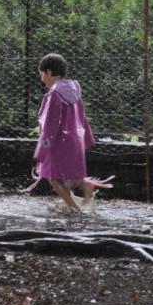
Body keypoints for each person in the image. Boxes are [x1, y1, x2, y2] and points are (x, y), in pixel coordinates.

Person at [32, 53, 109, 212]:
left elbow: (49, 125)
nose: (41, 80)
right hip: (76, 141)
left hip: (58, 143)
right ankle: (85, 187)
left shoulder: (54, 94)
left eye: (41, 75)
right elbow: (82, 116)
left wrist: (43, 147)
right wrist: (87, 138)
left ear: (49, 72)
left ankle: (75, 210)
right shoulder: (75, 90)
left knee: (53, 178)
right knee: (70, 175)